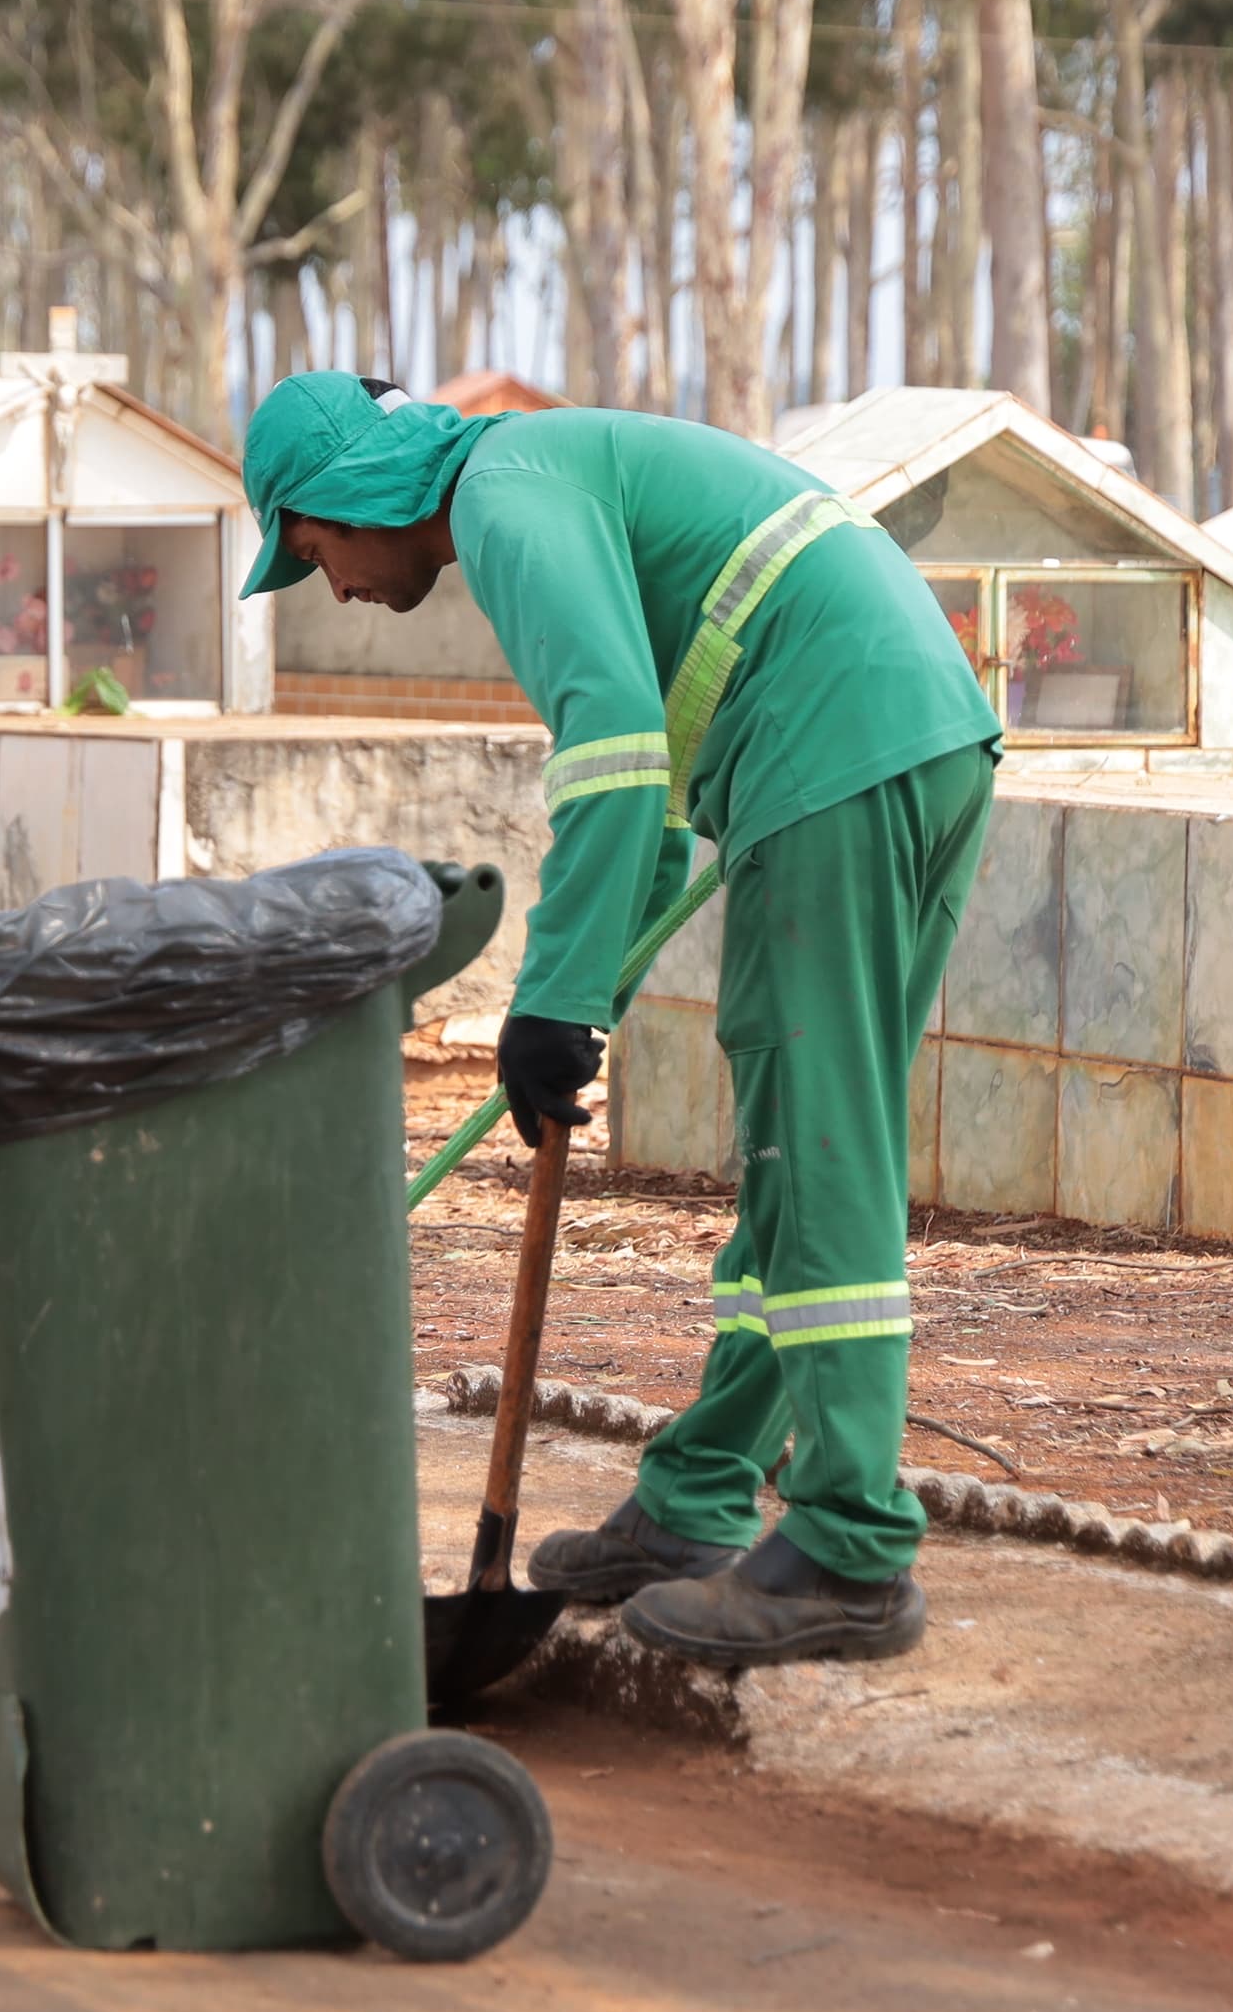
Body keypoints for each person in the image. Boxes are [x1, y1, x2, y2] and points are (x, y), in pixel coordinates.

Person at [236, 372, 999, 1666]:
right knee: (795, 1157)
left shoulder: (505, 505)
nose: (340, 590)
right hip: (892, 733)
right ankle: (699, 1496)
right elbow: (645, 799)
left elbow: (612, 752)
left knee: (818, 1149)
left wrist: (550, 1002)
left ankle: (851, 1548)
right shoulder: (536, 479)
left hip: (838, 746)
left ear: (354, 497)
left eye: (315, 555)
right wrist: (586, 1004)